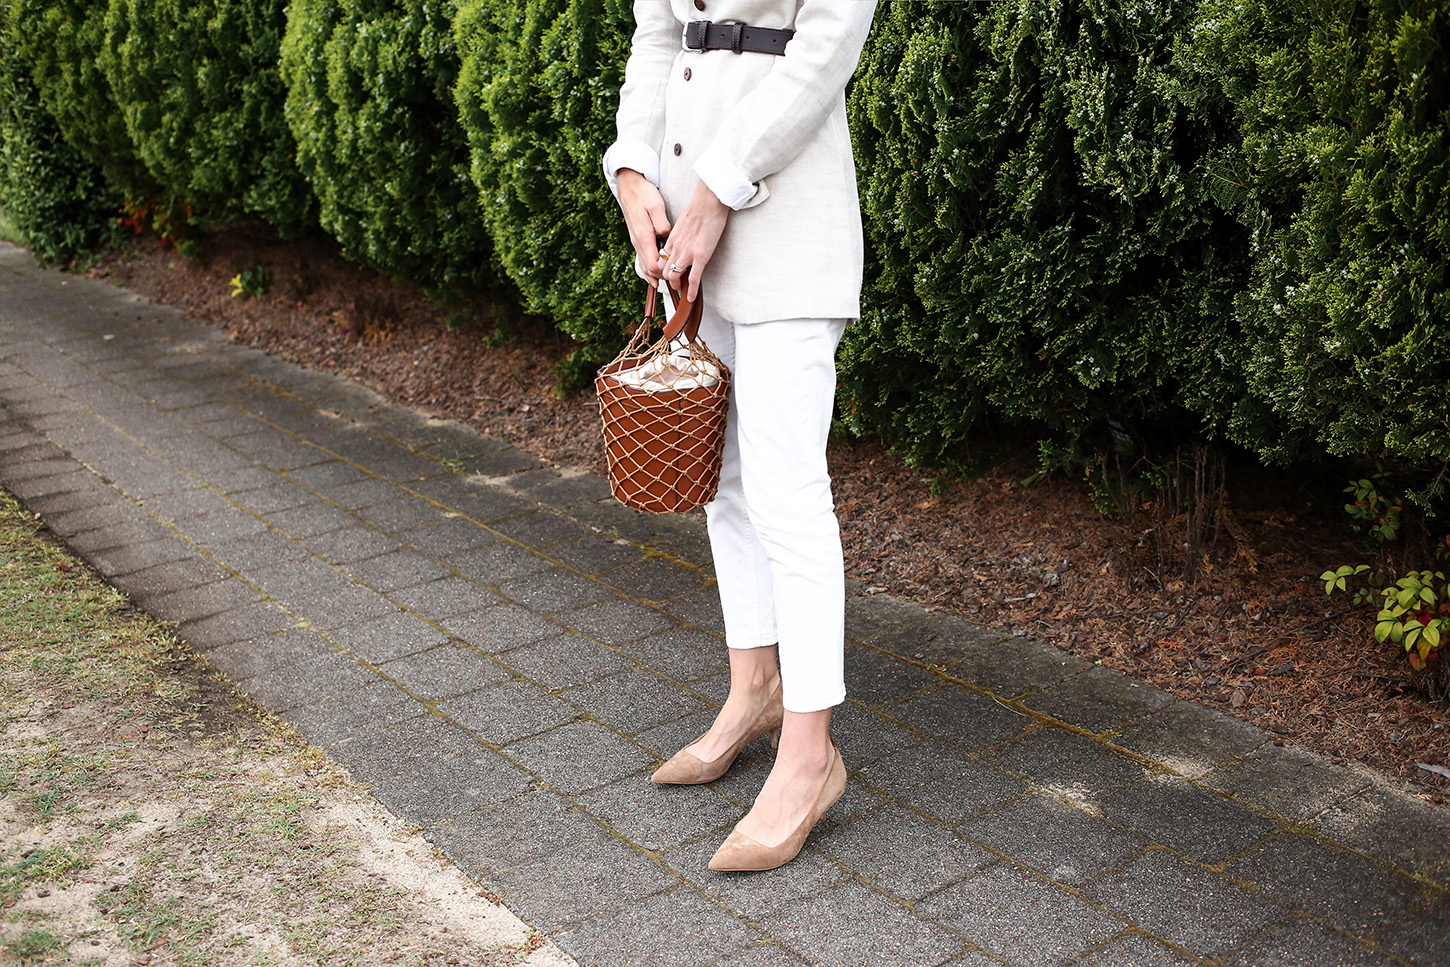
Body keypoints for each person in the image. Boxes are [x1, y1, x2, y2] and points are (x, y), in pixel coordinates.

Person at [603, 0, 877, 871]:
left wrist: (718, 189)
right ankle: (753, 687)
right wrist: (635, 175)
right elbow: (658, 35)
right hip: (686, 223)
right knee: (720, 480)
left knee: (788, 491)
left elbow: (826, 49)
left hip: (784, 219)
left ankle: (810, 756)